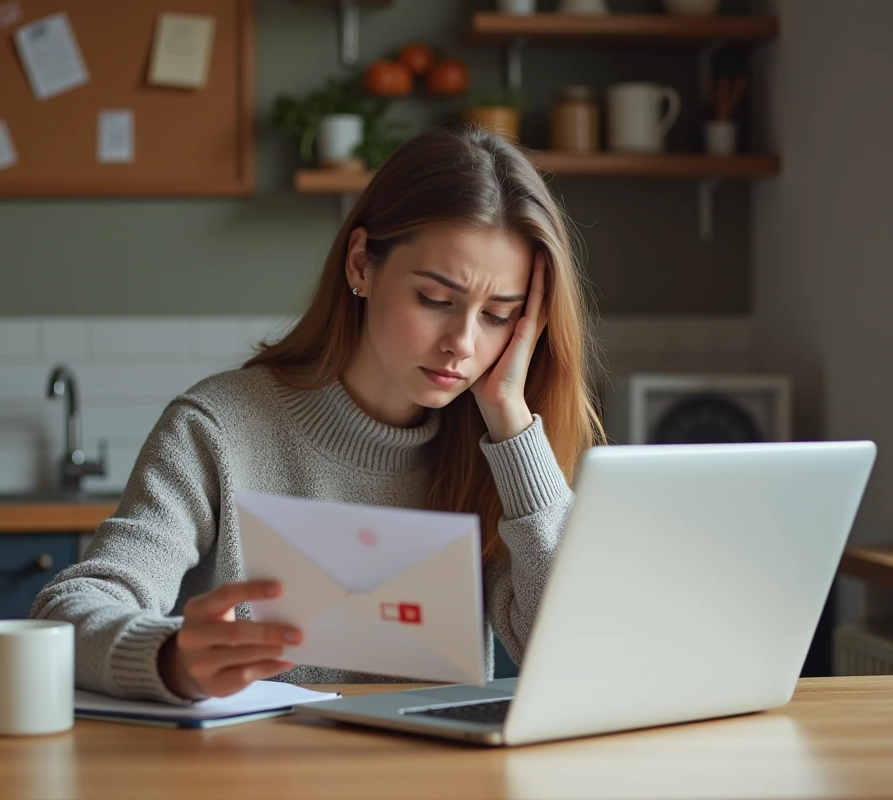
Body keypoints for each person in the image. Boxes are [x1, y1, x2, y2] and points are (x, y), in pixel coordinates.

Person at [30, 125, 604, 703]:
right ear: (361, 264)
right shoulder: (216, 429)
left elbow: (576, 654)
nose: (463, 342)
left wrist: (511, 420)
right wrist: (168, 658)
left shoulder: (496, 456)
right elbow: (69, 612)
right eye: (435, 300)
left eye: (499, 315)